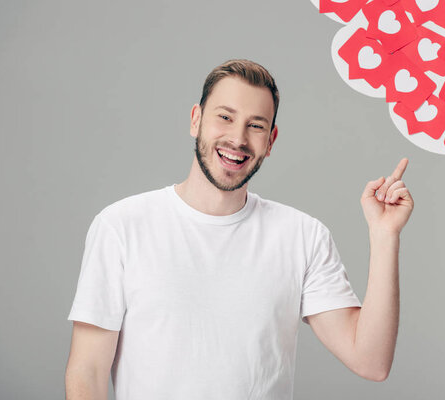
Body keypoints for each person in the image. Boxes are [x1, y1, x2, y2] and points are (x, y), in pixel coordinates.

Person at [64, 59, 414, 400]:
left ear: (271, 141)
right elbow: (88, 371)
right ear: (196, 120)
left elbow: (371, 361)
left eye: (256, 125)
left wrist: (385, 236)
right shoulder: (122, 226)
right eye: (225, 117)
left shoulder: (302, 236)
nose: (238, 138)